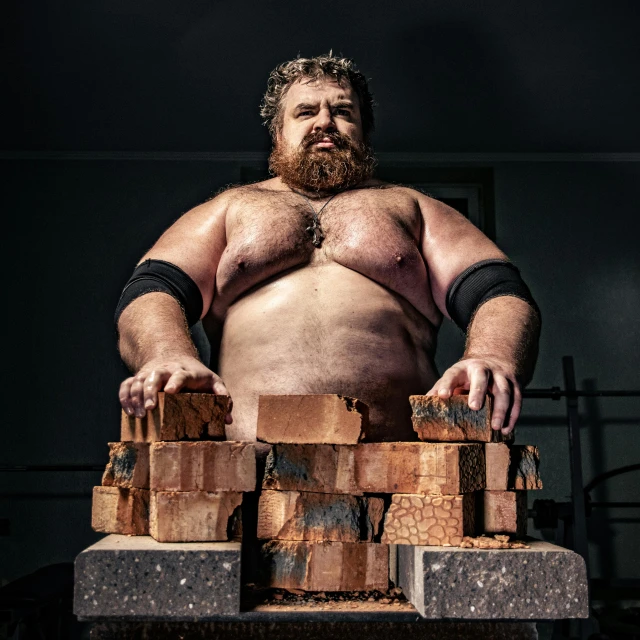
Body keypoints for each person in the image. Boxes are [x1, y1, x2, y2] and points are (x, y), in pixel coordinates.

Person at [115, 53, 541, 442]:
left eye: (342, 111)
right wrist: (167, 355)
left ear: (362, 129)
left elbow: (498, 293)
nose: (324, 122)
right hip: (247, 470)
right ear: (278, 132)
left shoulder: (413, 207)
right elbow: (154, 289)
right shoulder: (230, 207)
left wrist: (490, 356)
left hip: (398, 470)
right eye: (305, 111)